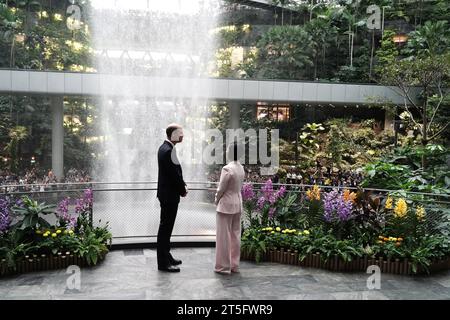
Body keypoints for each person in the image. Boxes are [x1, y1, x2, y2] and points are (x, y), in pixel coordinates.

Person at [156, 123, 188, 272]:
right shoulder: (168, 150)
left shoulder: (166, 148)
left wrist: (182, 185)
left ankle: (166, 256)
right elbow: (174, 175)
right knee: (165, 229)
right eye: (180, 133)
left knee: (166, 229)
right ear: (173, 134)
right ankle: (163, 264)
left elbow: (175, 173)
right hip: (169, 196)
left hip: (167, 195)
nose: (182, 135)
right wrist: (182, 189)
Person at [214, 142, 245, 275]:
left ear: (230, 152)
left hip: (226, 205)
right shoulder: (241, 168)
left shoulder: (227, 169)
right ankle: (234, 265)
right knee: (236, 235)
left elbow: (221, 188)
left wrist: (216, 199)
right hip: (238, 204)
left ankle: (222, 266)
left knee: (223, 237)